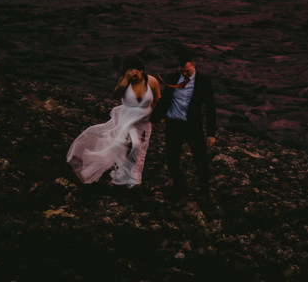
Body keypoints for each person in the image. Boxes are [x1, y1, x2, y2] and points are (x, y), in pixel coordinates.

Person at [66, 55, 160, 187]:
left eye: (135, 75)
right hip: (127, 119)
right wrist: (126, 79)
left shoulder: (151, 81)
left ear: (142, 71)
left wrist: (156, 115)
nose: (134, 78)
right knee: (135, 145)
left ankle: (133, 177)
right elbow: (116, 95)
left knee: (140, 150)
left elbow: (157, 97)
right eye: (130, 75)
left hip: (143, 121)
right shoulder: (125, 80)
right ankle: (125, 174)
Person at [152, 49, 216, 202]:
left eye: (187, 71)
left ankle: (205, 192)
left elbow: (210, 108)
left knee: (201, 159)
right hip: (174, 124)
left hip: (193, 126)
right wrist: (155, 118)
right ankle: (181, 190)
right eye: (182, 71)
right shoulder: (172, 78)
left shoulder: (204, 81)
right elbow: (165, 99)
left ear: (193, 64)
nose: (185, 74)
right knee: (172, 159)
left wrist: (211, 133)